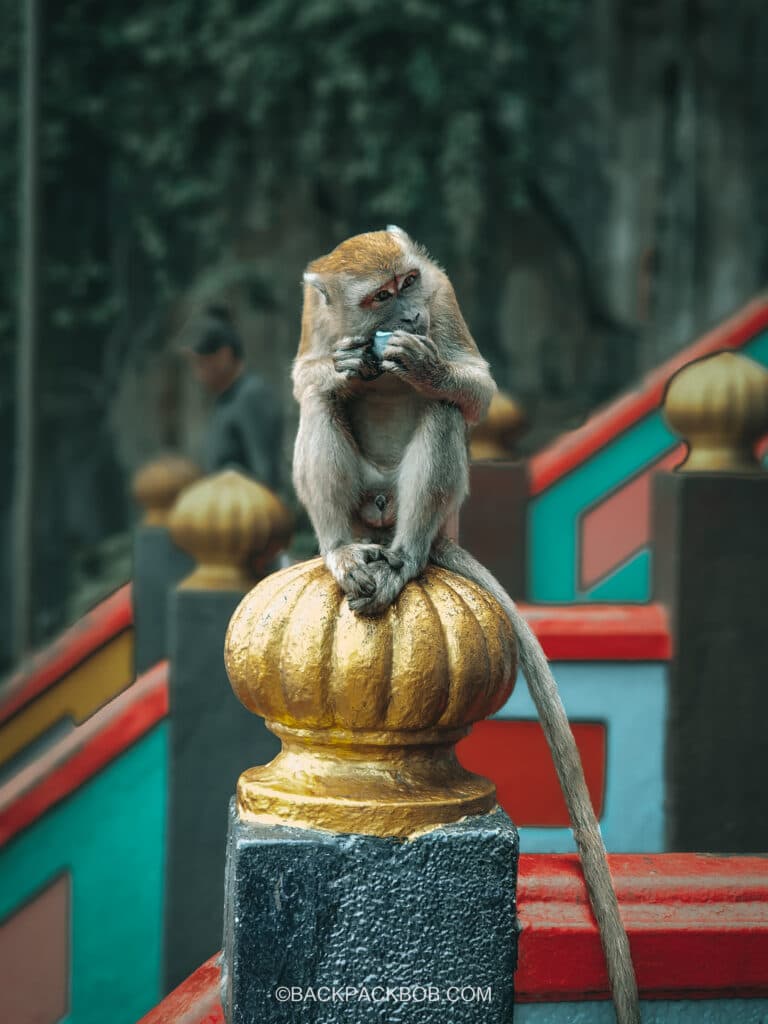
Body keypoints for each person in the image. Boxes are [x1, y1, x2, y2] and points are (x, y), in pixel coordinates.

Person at [184, 306, 283, 490]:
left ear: (224, 355)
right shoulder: (225, 400)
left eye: (200, 363)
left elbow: (266, 474)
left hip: (251, 512)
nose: (197, 373)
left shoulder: (251, 396)